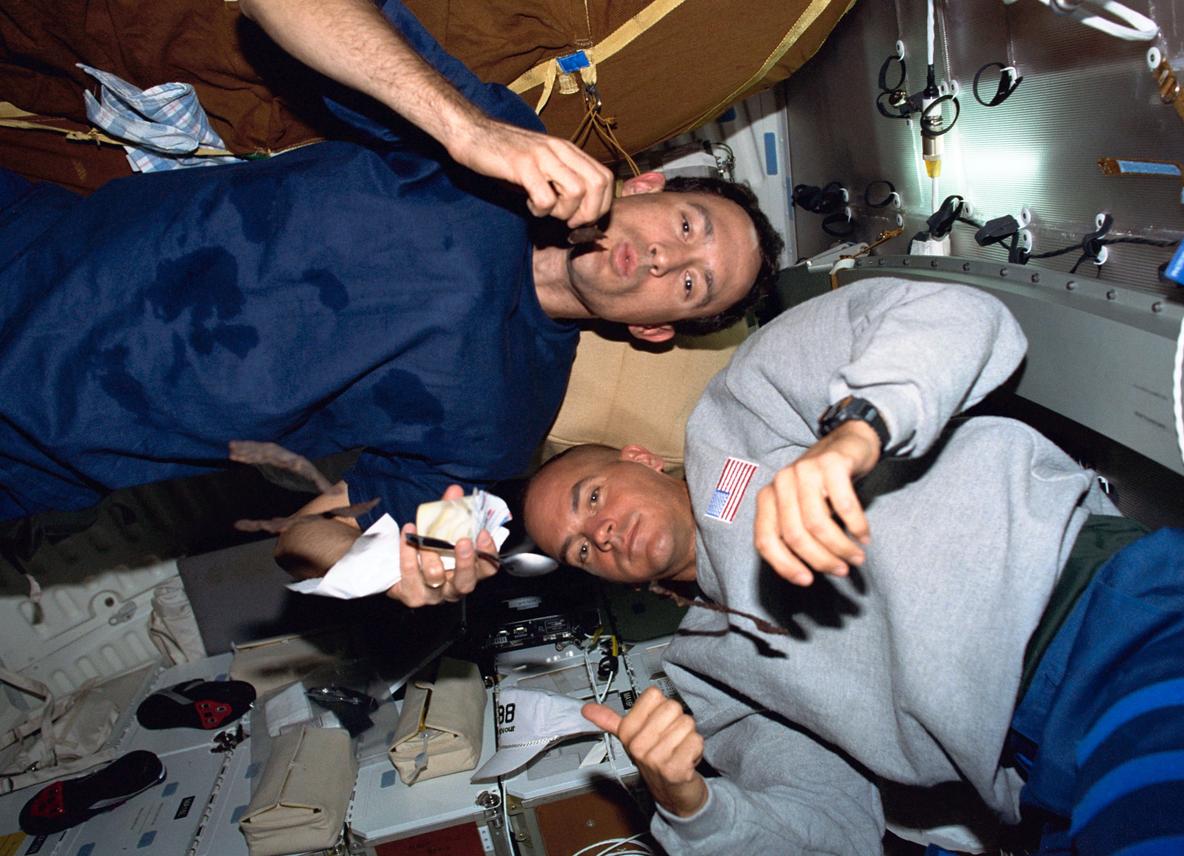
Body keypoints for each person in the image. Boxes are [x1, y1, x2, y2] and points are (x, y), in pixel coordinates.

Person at [0, 0, 784, 593]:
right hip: (31, 250)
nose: (665, 257)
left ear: (654, 332)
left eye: (691, 284)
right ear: (645, 186)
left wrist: (383, 568)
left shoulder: (501, 429)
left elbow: (306, 539)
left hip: (40, 446)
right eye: (687, 224)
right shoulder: (497, 143)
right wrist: (467, 129)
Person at [523, 280, 1184, 854]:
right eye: (579, 550)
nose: (600, 533)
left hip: (1120, 626)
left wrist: (854, 433)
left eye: (592, 498)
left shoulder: (741, 413)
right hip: (1040, 774)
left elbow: (960, 315)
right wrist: (693, 809)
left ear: (640, 458)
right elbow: (835, 828)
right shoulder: (706, 677)